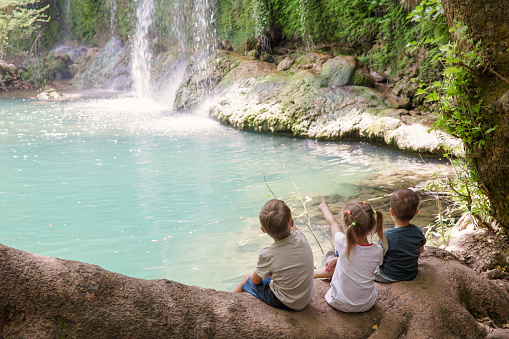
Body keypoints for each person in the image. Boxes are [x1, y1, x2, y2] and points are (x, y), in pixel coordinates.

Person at [231, 199, 315, 310]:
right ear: (292, 222)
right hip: (307, 296)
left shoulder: (267, 254)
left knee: (246, 279)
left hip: (287, 302)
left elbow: (255, 281)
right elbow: (292, 231)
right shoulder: (300, 236)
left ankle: (227, 300)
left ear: (263, 230)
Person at [314, 197, 387, 313]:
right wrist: (338, 258)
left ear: (347, 226)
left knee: (328, 255)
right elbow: (362, 260)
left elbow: (332, 223)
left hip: (339, 302)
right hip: (367, 304)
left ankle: (314, 273)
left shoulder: (342, 242)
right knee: (338, 259)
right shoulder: (377, 250)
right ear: (372, 226)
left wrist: (324, 207)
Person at [374, 188, 426, 283]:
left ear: (391, 211)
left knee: (372, 270)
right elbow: (421, 250)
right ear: (416, 213)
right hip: (411, 274)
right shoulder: (417, 231)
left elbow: (378, 257)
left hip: (389, 275)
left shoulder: (387, 235)